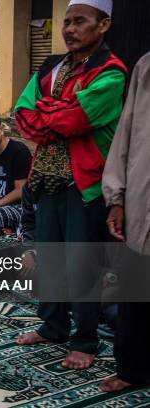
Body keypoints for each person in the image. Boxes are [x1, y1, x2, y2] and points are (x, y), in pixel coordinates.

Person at [14, 0, 127, 370]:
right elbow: (22, 116)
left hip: (86, 185)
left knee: (82, 264)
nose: (69, 29)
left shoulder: (112, 73)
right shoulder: (51, 66)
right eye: (67, 22)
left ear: (104, 24)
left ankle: (85, 340)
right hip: (47, 180)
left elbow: (73, 121)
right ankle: (54, 325)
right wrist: (55, 113)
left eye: (80, 21)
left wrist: (49, 111)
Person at [100, 52, 150, 392]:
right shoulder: (146, 66)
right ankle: (131, 369)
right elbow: (127, 135)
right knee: (135, 294)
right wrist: (116, 197)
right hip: (141, 201)